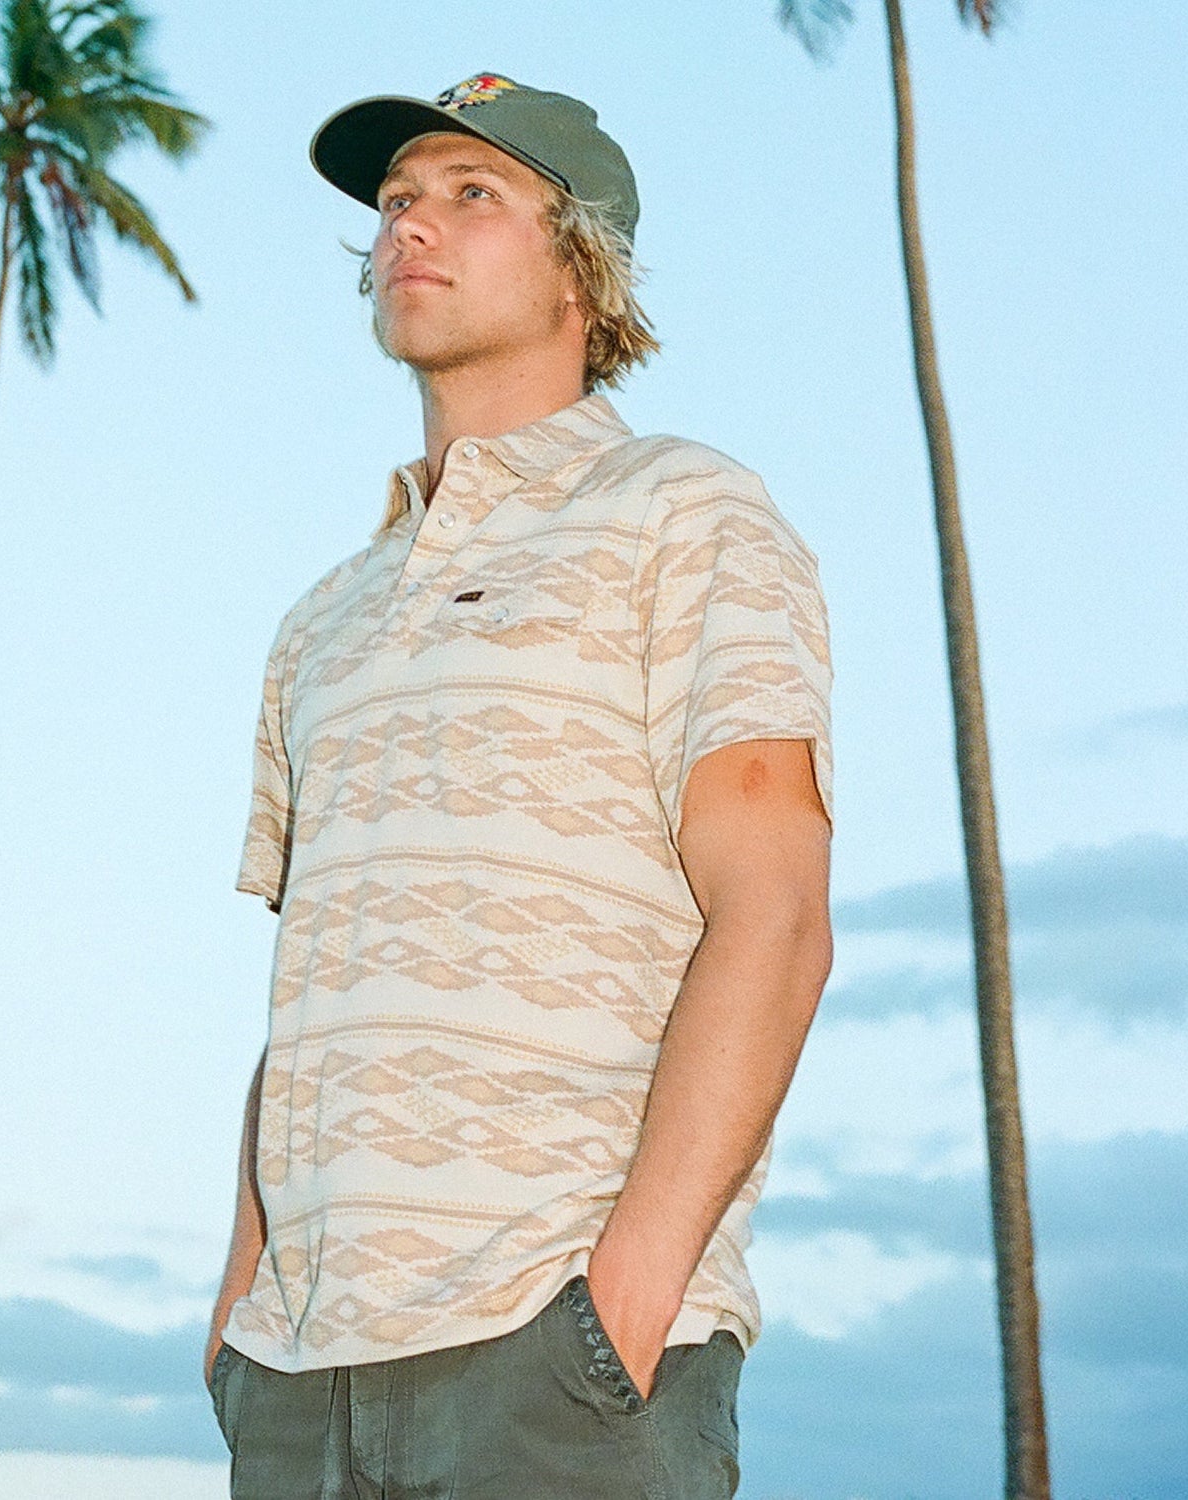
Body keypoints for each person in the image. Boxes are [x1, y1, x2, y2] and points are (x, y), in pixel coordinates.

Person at [204, 70, 834, 1500]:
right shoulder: (326, 616)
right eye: (396, 201)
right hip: (296, 1384)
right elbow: (313, 984)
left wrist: (621, 1300)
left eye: (471, 194)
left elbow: (778, 918)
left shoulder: (684, 511)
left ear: (584, 265)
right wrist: (237, 1311)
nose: (411, 225)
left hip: (552, 1357)